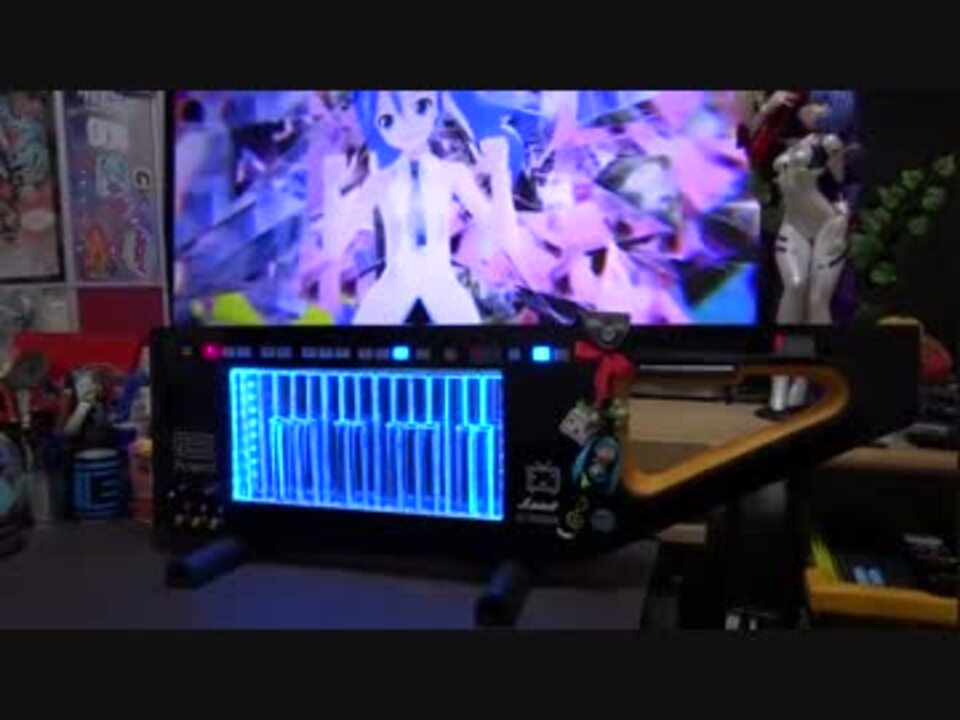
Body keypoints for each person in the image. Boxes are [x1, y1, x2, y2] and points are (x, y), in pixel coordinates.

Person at [324, 91, 521, 325]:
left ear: (436, 105)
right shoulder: (381, 181)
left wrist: (500, 174)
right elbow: (334, 246)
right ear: (376, 127)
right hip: (395, 281)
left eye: (420, 107)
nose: (406, 127)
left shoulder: (452, 173)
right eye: (387, 120)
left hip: (441, 280)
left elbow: (505, 237)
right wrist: (332, 193)